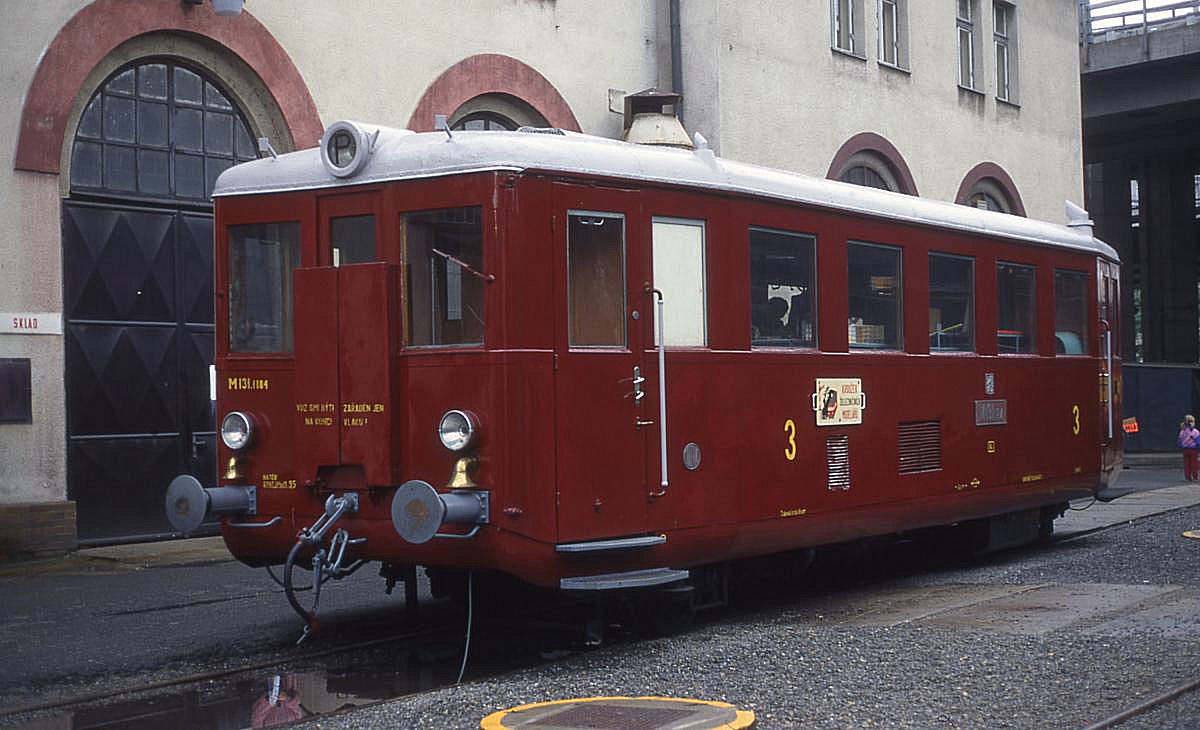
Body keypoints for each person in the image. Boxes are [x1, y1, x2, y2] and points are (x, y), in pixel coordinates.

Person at [1179, 415, 1200, 481]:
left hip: (1185, 450)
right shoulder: (1195, 431)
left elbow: (1180, 440)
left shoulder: (1182, 431)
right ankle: (1195, 477)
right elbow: (1198, 441)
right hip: (1193, 449)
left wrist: (1182, 446)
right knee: (1194, 464)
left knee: (1186, 464)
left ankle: (1187, 477)